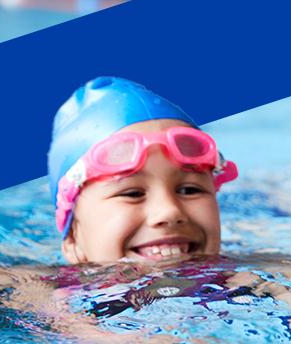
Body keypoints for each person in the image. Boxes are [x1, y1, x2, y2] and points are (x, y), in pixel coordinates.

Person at [48, 76, 238, 264]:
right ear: (73, 238)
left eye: (190, 190)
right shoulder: (40, 291)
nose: (169, 211)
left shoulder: (254, 280)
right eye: (132, 193)